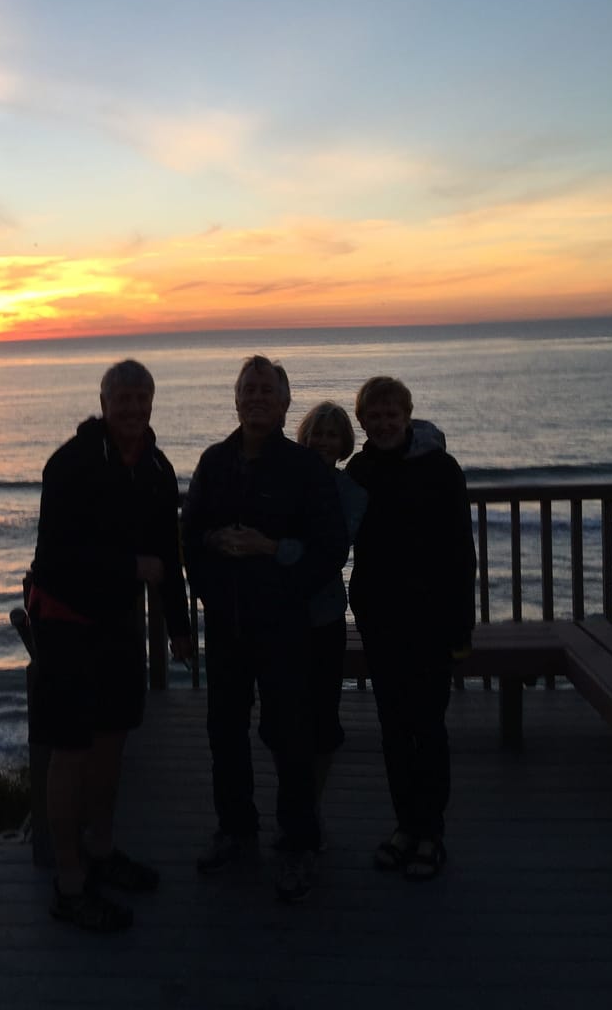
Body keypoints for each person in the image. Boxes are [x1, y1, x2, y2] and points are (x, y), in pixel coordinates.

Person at [28, 359, 192, 932]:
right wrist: (130, 567)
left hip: (119, 627)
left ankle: (102, 850)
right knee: (70, 750)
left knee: (111, 745)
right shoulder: (69, 465)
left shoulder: (156, 467)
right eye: (121, 397)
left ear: (152, 402)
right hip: (66, 624)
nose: (132, 407)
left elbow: (168, 556)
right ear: (102, 401)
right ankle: (69, 882)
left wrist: (178, 626)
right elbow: (54, 562)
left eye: (141, 397)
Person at [182, 356, 349, 903]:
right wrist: (211, 554)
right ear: (236, 400)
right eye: (247, 389)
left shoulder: (306, 469)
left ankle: (297, 842)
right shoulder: (214, 461)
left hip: (284, 628)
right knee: (223, 730)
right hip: (227, 625)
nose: (256, 398)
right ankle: (236, 828)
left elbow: (330, 549)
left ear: (284, 403)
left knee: (289, 735)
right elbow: (191, 538)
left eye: (266, 390)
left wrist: (273, 561)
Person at [346, 376, 476, 881]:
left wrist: (461, 627)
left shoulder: (441, 469)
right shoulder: (359, 471)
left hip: (432, 622)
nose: (382, 423)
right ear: (362, 421)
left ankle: (431, 832)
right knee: (394, 730)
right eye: (373, 416)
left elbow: (461, 553)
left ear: (407, 415)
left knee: (428, 726)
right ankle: (405, 825)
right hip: (381, 621)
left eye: (390, 415)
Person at [295, 401, 368, 836]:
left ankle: (311, 807)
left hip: (323, 616)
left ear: (344, 444)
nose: (323, 441)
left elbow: (332, 552)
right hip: (283, 621)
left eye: (332, 435)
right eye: (316, 433)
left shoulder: (351, 492)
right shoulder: (284, 481)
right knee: (286, 718)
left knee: (323, 717)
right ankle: (296, 804)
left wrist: (276, 550)